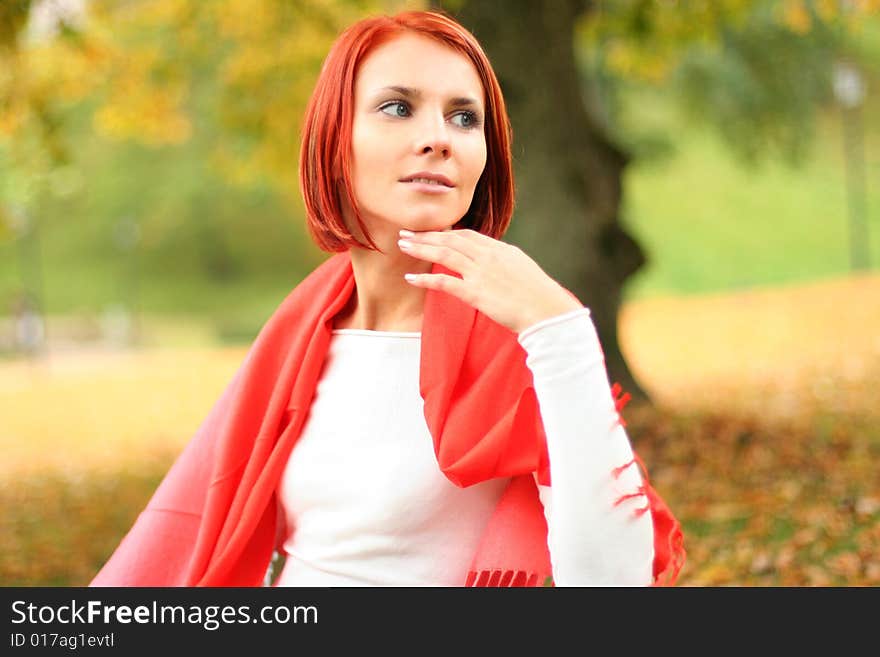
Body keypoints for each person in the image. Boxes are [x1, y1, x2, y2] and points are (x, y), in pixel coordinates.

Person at [90, 9, 684, 588]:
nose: (437, 139)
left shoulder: (525, 339)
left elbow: (615, 581)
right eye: (398, 108)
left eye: (463, 118)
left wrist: (560, 333)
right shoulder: (302, 333)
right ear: (335, 138)